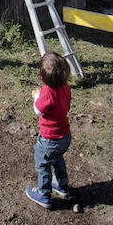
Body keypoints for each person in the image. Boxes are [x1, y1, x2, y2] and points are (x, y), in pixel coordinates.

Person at [26, 52, 72, 209]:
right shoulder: (65, 87)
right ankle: (62, 185)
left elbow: (38, 110)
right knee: (58, 159)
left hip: (49, 139)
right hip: (64, 136)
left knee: (43, 165)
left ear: (42, 78)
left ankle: (44, 195)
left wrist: (36, 97)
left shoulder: (47, 92)